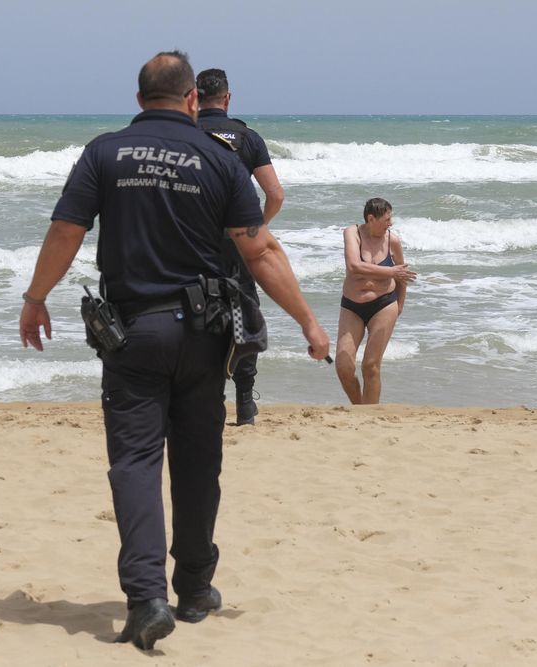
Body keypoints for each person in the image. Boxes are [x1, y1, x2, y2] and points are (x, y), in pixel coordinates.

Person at [19, 51, 329, 651]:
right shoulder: (220, 156)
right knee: (197, 462)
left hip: (134, 333)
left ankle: (146, 599)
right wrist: (310, 322)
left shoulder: (105, 152)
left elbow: (65, 231)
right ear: (193, 99)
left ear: (138, 100)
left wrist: (37, 298)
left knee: (135, 462)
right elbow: (261, 252)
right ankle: (192, 589)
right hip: (206, 335)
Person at [196, 67, 285, 426]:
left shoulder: (182, 135)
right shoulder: (247, 137)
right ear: (228, 98)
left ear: (193, 98)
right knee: (244, 310)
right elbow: (275, 194)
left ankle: (208, 399)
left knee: (198, 315)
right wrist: (257, 228)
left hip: (193, 241)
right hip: (237, 240)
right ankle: (245, 402)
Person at [335, 198, 416, 404]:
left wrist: (399, 306)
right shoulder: (352, 233)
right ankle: (359, 406)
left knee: (370, 365)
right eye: (387, 219)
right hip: (352, 306)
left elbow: (402, 276)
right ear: (371, 219)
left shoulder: (393, 241)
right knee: (343, 366)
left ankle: (368, 415)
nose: (391, 223)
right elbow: (354, 266)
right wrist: (390, 271)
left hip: (384, 304)